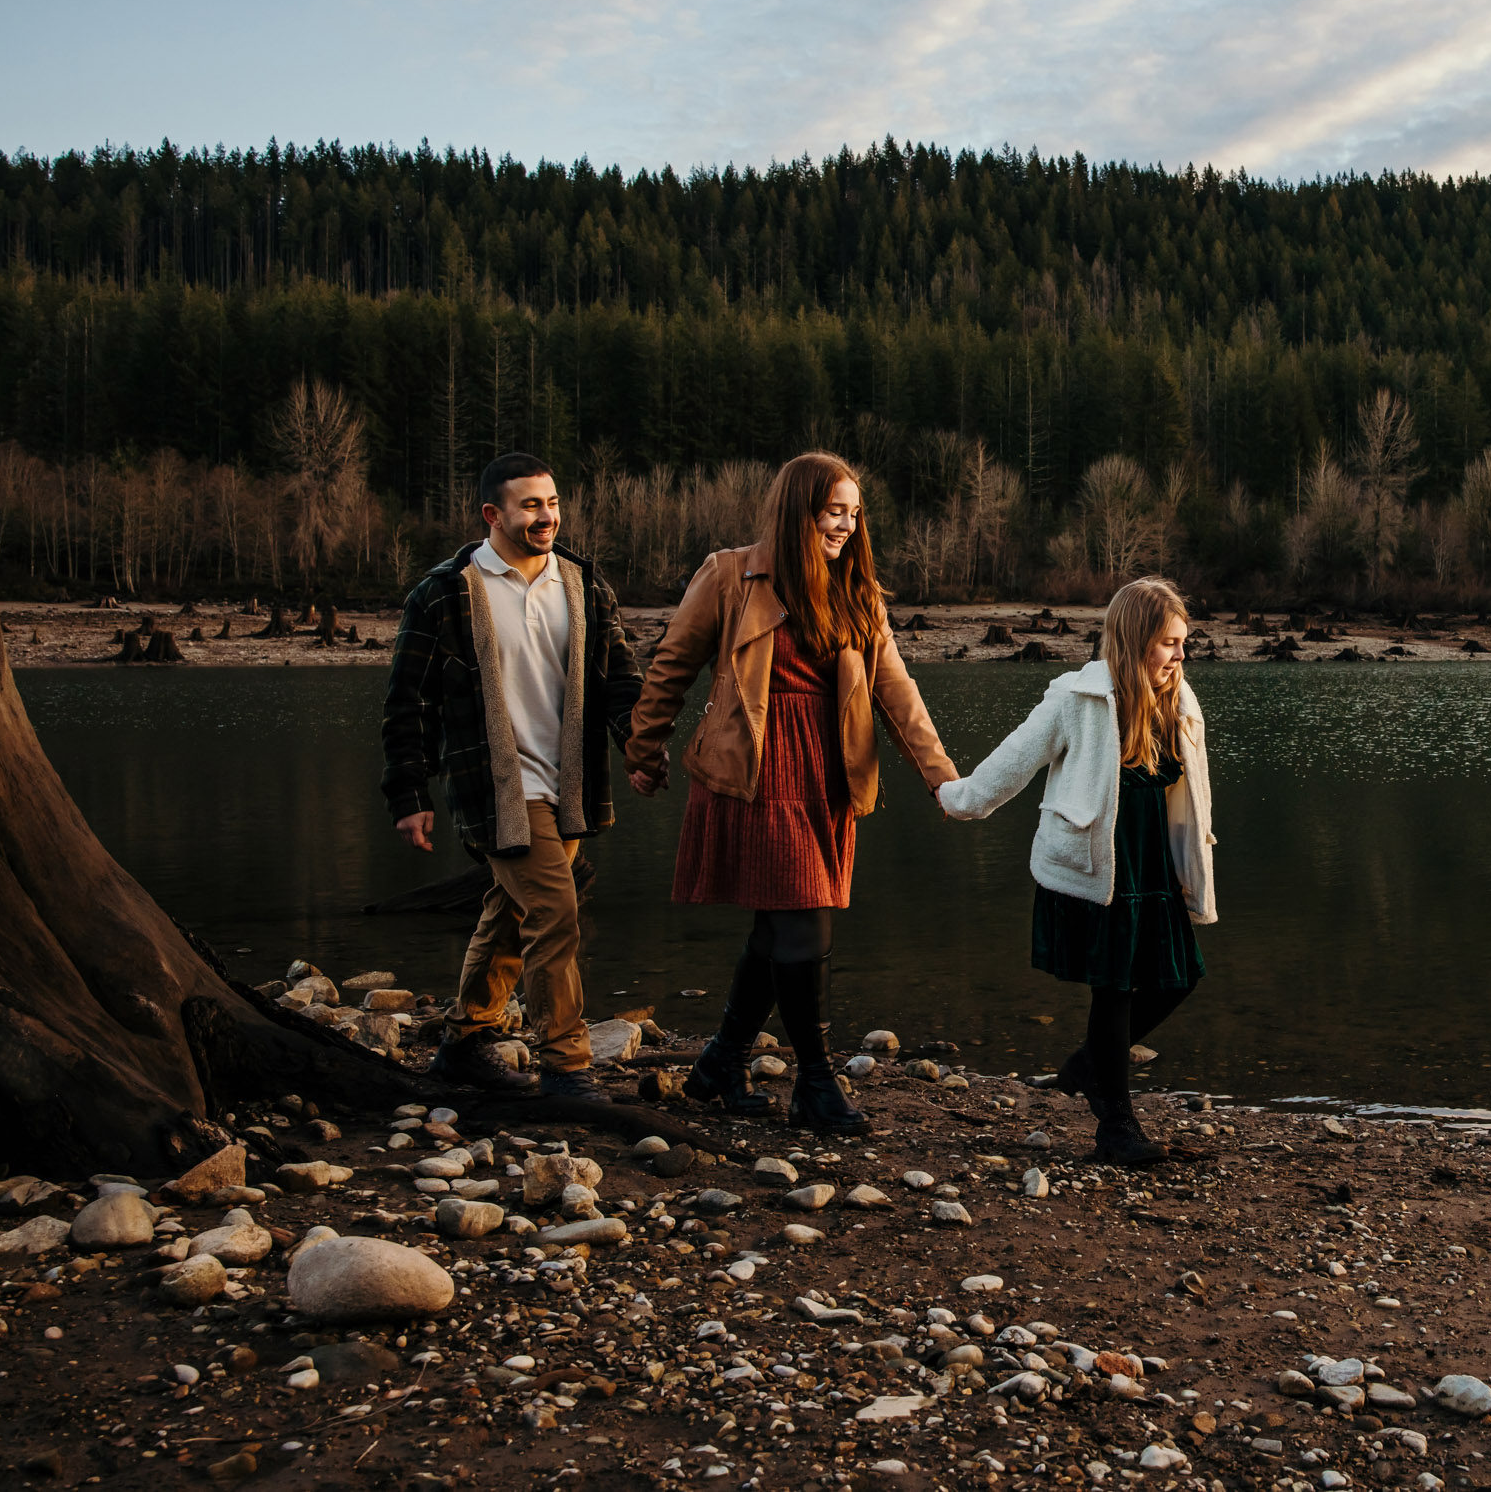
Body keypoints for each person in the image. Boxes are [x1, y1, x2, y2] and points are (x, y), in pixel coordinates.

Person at [623, 451, 957, 1135]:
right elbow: (671, 666)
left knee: (779, 926)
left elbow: (896, 692)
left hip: (826, 775)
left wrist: (942, 776)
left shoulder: (857, 591)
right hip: (754, 772)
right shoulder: (729, 573)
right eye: (834, 510)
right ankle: (815, 1081)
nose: (846, 524)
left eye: (854, 512)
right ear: (799, 506)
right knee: (804, 921)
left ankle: (720, 1063)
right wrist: (645, 747)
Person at [382, 452, 643, 1100]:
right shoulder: (444, 591)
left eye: (552, 502)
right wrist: (409, 793)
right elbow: (406, 701)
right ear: (492, 514)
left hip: (571, 784)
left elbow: (620, 678)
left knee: (509, 911)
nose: (547, 516)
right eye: (531, 505)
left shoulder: (581, 580)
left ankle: (465, 1040)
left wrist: (643, 744)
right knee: (555, 910)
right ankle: (566, 1066)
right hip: (493, 787)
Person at [936, 576, 1215, 1165]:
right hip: (1100, 867)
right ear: (1137, 638)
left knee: (1179, 977)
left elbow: (1195, 798)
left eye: (1183, 641)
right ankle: (1116, 1127)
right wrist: (960, 798)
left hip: (1154, 870)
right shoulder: (1078, 698)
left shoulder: (1177, 702)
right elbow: (1017, 757)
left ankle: (1090, 1065)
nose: (1181, 655)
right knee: (1113, 991)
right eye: (1170, 642)